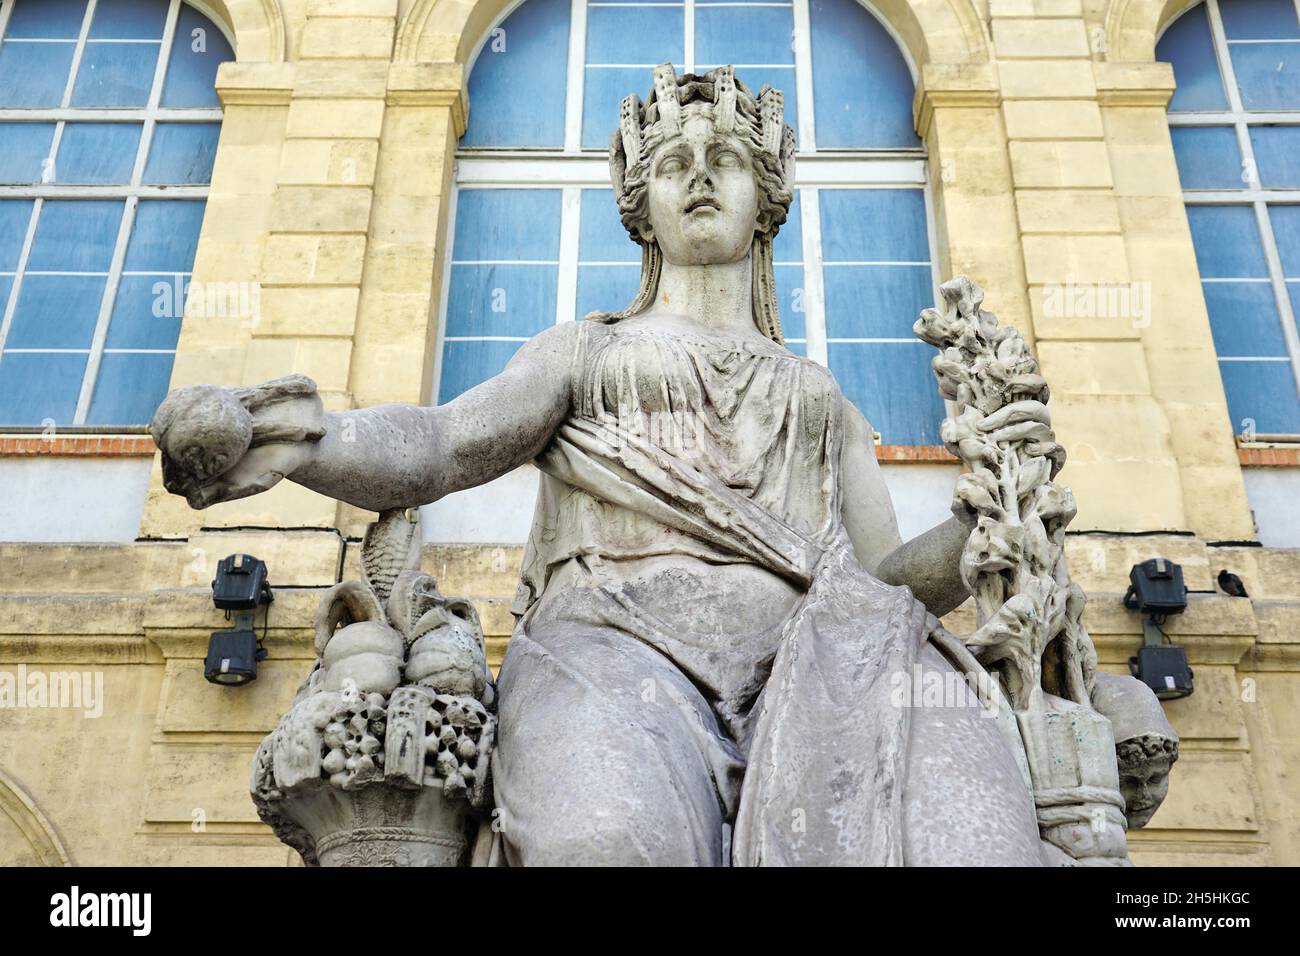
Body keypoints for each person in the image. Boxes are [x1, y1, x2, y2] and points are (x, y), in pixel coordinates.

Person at [155, 64, 1048, 865]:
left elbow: (883, 590)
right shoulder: (583, 353)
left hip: (808, 665)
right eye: (672, 163)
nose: (699, 175)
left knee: (964, 831)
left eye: (726, 159)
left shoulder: (821, 397)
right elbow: (441, 445)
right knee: (613, 842)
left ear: (766, 195)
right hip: (614, 651)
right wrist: (302, 438)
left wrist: (985, 524)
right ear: (640, 203)